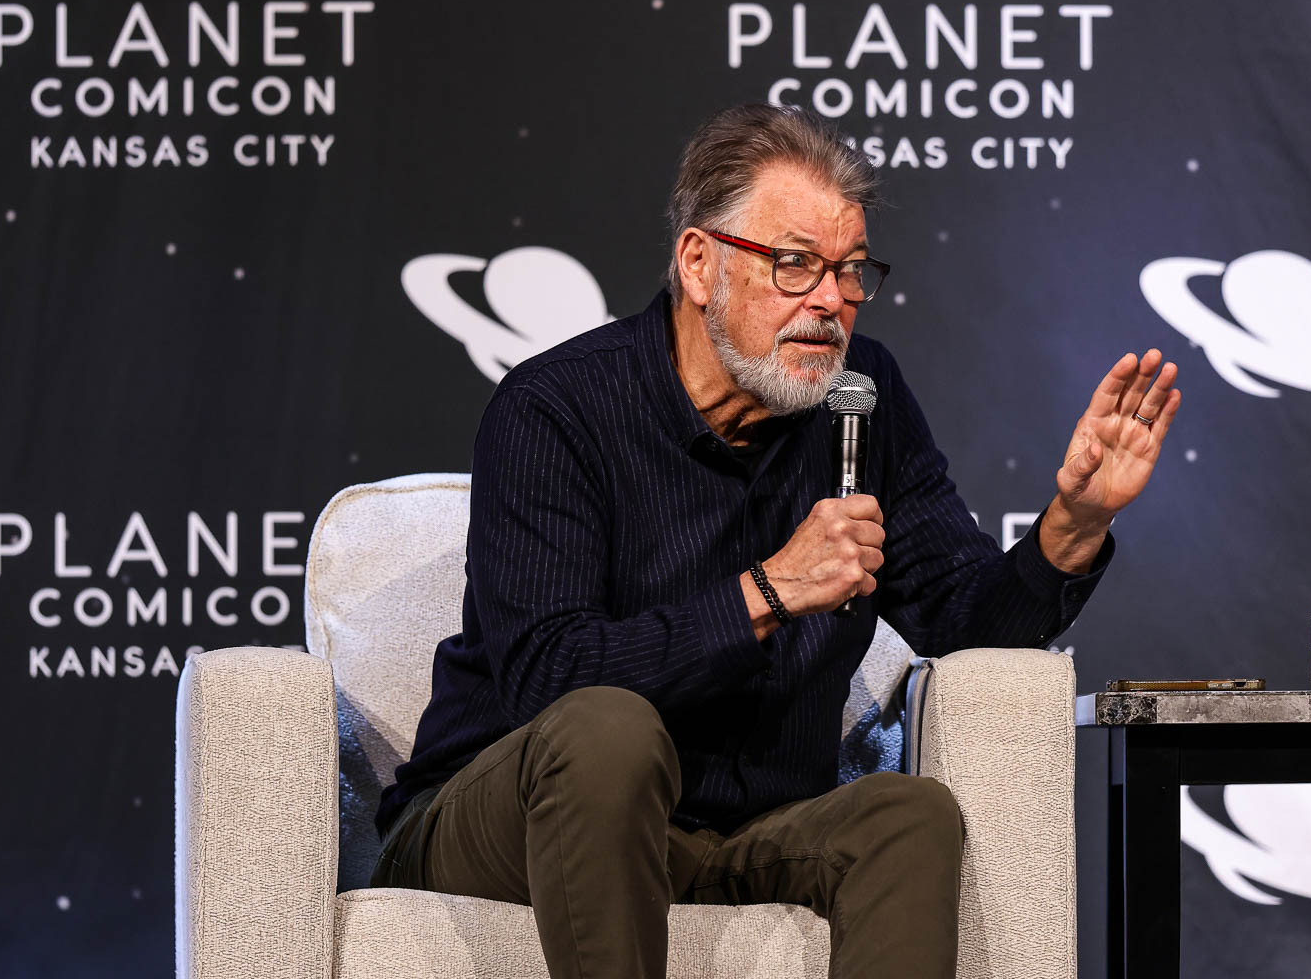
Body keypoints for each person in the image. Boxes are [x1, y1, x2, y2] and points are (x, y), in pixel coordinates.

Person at [371, 103, 1181, 979]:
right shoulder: (557, 411)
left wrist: (1074, 524)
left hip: (736, 833)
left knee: (906, 817)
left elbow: (962, 619)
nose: (832, 302)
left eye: (849, 272)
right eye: (796, 265)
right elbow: (547, 679)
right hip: (509, 818)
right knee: (609, 732)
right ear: (699, 263)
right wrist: (769, 591)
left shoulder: (863, 402)